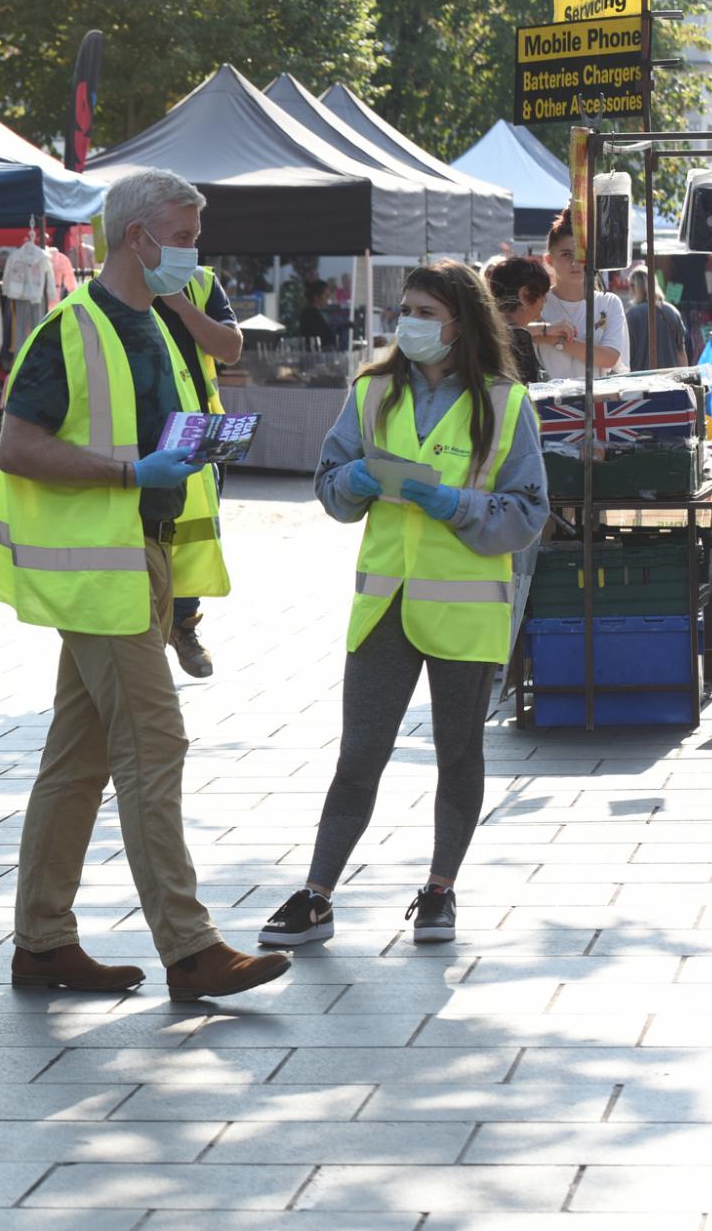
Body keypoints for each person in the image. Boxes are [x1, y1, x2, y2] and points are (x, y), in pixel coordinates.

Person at [0, 167, 290, 1001]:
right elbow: (13, 447)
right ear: (138, 238)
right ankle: (190, 949)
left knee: (76, 760)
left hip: (138, 563)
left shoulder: (156, 321)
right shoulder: (71, 328)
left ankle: (42, 943)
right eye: (184, 239)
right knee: (154, 745)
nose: (195, 255)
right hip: (100, 573)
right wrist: (128, 471)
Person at [260, 261, 546, 950]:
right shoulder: (372, 391)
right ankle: (317, 893)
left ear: (462, 322)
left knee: (459, 753)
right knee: (359, 755)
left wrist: (458, 505)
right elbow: (330, 487)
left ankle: (441, 892)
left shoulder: (506, 404)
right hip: (384, 604)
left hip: (467, 607)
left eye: (424, 312)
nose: (409, 324)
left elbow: (530, 511)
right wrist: (352, 480)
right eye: (404, 311)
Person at [153, 264, 244, 679]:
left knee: (192, 535)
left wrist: (177, 301)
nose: (188, 247)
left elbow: (229, 348)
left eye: (193, 237)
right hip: (136, 430)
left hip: (196, 429)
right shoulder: (114, 281)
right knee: (145, 536)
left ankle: (183, 626)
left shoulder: (201, 282)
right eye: (181, 235)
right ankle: (146, 639)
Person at [530, 210, 628, 382]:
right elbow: (510, 332)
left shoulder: (609, 302)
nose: (575, 263)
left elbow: (609, 358)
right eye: (566, 255)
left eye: (582, 254)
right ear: (549, 259)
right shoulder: (538, 301)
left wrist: (555, 340)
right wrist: (545, 329)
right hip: (549, 404)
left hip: (597, 402)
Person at [484, 255, 551, 385]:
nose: (544, 301)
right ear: (525, 294)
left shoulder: (483, 331)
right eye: (542, 294)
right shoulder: (518, 338)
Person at [626, 268, 689, 371]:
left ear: (634, 287)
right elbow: (681, 352)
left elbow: (625, 356)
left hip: (640, 382)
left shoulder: (632, 315)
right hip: (671, 382)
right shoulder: (672, 311)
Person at [297, 278, 342, 349]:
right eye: (326, 296)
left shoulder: (314, 313)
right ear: (316, 297)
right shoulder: (311, 315)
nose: (327, 299)